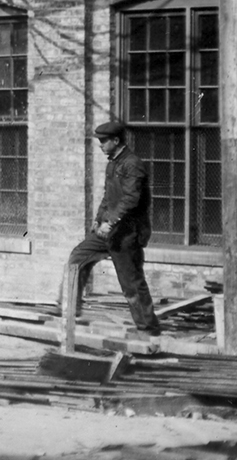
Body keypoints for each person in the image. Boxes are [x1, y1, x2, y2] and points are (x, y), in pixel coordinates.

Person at [64, 120, 162, 334]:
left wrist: (111, 222)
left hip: (127, 232)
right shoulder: (113, 163)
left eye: (103, 141)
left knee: (131, 283)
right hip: (108, 230)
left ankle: (148, 328)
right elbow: (109, 197)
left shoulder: (132, 164)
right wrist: (98, 220)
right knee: (78, 258)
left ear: (116, 141)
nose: (100, 145)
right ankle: (69, 311)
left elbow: (131, 199)